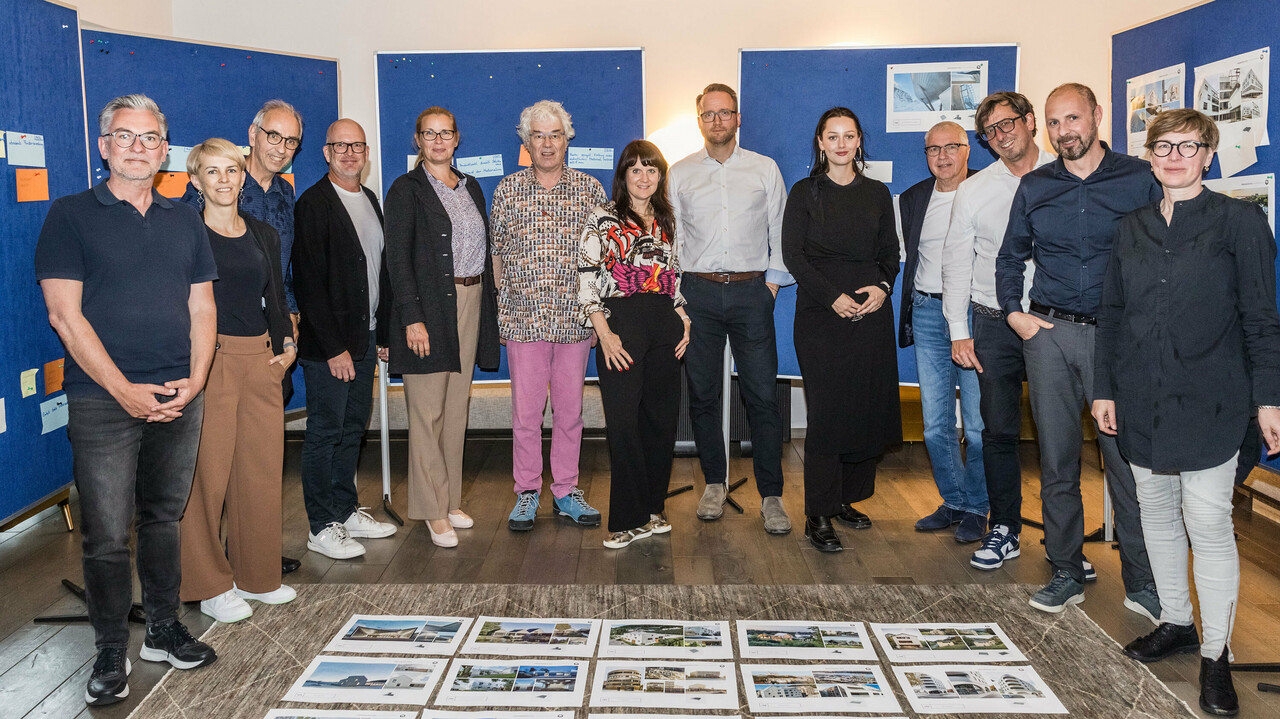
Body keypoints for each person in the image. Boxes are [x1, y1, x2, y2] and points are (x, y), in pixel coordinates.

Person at [1093, 108, 1280, 717]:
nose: (1174, 155)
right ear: (1150, 156)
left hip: (1213, 398)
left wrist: (1269, 397)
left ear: (1209, 154)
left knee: (1207, 522)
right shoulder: (1130, 228)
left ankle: (1217, 656)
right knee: (1156, 514)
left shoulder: (1241, 222)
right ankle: (1177, 621)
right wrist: (1105, 389)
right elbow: (1112, 317)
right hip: (1142, 398)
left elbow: (1261, 318)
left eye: (1188, 146)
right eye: (1163, 146)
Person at [35, 94, 218, 707]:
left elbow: (202, 307)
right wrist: (124, 392)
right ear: (104, 146)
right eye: (125, 136)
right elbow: (64, 314)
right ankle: (110, 647)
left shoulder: (185, 221)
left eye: (150, 138)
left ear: (166, 151)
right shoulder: (70, 216)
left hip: (177, 393)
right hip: (101, 401)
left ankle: (163, 629)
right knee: (108, 533)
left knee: (164, 518)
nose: (138, 147)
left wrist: (195, 381)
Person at [996, 83, 1159, 616]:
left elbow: (1167, 252)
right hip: (1049, 336)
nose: (1065, 131)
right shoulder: (1036, 186)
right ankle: (1066, 569)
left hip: (1119, 341)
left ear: (1097, 116)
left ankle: (1143, 581)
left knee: (1127, 464)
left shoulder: (1140, 178)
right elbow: (1010, 257)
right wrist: (1015, 315)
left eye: (1073, 118)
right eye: (1055, 122)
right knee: (1057, 460)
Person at [180, 98, 304, 576]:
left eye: (231, 171)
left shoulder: (265, 227)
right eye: (214, 172)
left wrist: (287, 346)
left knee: (258, 473)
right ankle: (207, 581)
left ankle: (257, 573)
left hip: (264, 356)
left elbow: (277, 290)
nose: (226, 180)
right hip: (212, 358)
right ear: (197, 181)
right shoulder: (185, 231)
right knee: (207, 478)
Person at [668, 83, 793, 534]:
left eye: (726, 113)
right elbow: (674, 239)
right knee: (703, 395)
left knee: (761, 395)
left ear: (738, 118)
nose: (717, 121)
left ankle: (772, 496)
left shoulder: (764, 169)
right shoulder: (679, 173)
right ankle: (715, 483)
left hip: (751, 293)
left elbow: (781, 228)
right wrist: (677, 296)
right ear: (698, 119)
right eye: (709, 114)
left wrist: (772, 287)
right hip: (698, 296)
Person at [941, 91, 1056, 571]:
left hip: (1056, 322)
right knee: (998, 431)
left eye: (1008, 124)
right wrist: (956, 330)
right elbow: (955, 261)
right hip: (991, 323)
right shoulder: (974, 189)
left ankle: (1063, 544)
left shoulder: (1066, 176)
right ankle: (1004, 527)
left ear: (1031, 122)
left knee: (1059, 435)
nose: (1001, 136)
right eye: (990, 131)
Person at [781, 107, 901, 552]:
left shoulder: (877, 193)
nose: (841, 144)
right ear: (820, 142)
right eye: (832, 136)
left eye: (849, 136)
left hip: (871, 315)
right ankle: (817, 513)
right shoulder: (803, 193)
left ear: (858, 142)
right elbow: (794, 255)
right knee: (829, 416)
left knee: (865, 409)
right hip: (820, 316)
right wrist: (833, 296)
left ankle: (846, 499)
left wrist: (882, 288)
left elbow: (890, 253)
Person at [384, 107, 500, 548]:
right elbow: (397, 259)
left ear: (457, 138)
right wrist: (412, 317)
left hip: (470, 301)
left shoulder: (471, 186)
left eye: (445, 133)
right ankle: (432, 511)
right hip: (429, 308)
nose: (437, 141)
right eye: (428, 134)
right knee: (426, 410)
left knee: (456, 406)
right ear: (417, 140)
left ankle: (450, 499)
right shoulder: (406, 189)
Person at [490, 100, 606, 532]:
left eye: (554, 135)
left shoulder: (590, 190)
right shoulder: (507, 191)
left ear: (566, 139)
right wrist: (506, 306)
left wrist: (598, 320)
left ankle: (565, 491)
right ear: (525, 141)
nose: (547, 143)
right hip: (524, 321)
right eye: (538, 135)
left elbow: (602, 260)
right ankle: (525, 493)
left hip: (575, 322)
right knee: (525, 413)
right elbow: (497, 255)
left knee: (570, 413)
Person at [579, 140, 692, 549]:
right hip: (620, 323)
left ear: (660, 176)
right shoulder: (602, 218)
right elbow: (587, 279)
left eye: (652, 169)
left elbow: (672, 276)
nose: (644, 177)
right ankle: (626, 519)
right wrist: (604, 333)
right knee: (624, 423)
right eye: (636, 170)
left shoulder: (666, 219)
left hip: (664, 324)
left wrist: (683, 318)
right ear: (624, 175)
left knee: (660, 422)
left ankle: (653, 508)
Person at [293, 118, 396, 559]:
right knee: (324, 432)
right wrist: (334, 347)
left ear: (366, 152)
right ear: (325, 152)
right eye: (340, 145)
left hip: (366, 337)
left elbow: (381, 270)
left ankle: (346, 508)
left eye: (356, 146)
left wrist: (384, 331)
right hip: (329, 348)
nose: (349, 153)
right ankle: (321, 524)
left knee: (353, 428)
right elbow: (309, 283)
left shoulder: (370, 198)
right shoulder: (313, 204)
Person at [898, 121, 985, 543]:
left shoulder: (987, 191)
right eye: (933, 149)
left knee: (979, 423)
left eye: (952, 147)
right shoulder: (914, 198)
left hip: (975, 317)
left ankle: (979, 506)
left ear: (968, 150)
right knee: (935, 424)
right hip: (929, 313)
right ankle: (953, 501)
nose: (943, 156)